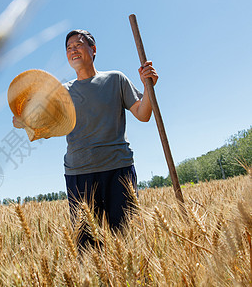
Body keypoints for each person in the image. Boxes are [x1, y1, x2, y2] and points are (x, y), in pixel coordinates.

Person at [13, 29, 158, 247]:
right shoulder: (61, 92)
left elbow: (144, 114)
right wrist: (23, 116)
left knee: (127, 242)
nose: (73, 50)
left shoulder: (116, 79)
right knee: (87, 248)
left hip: (118, 170)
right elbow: (33, 125)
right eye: (69, 48)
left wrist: (149, 86)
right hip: (79, 174)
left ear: (93, 49)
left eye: (78, 45)